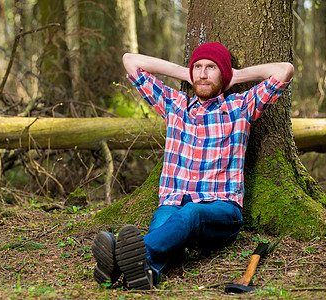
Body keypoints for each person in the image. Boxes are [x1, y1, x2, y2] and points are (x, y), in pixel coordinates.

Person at [91, 42, 294, 290]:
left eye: (211, 67)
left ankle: (118, 261)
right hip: (173, 202)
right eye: (197, 67)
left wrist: (235, 75)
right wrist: (186, 72)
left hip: (220, 211)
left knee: (191, 213)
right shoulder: (175, 105)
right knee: (165, 221)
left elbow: (284, 70)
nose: (202, 73)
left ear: (224, 74)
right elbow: (130, 60)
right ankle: (145, 273)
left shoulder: (240, 108)